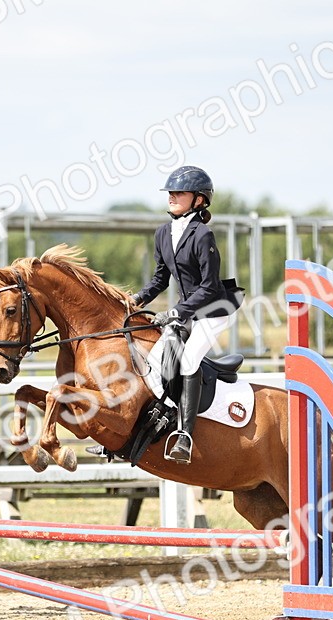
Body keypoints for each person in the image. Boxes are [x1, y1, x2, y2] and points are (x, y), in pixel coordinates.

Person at [130, 165, 242, 464]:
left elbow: (209, 286)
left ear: (199, 200)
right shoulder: (163, 233)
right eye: (171, 192)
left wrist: (177, 311)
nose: (172, 196)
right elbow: (160, 278)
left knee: (189, 359)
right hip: (188, 310)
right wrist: (136, 300)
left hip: (215, 309)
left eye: (179, 192)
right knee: (154, 360)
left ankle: (185, 435)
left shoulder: (203, 235)